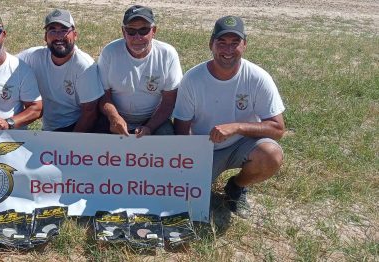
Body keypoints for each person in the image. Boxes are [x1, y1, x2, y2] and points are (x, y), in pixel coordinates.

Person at [173, 16, 285, 218]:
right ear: (211, 44)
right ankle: (201, 181)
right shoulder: (193, 79)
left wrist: (237, 127)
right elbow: (181, 128)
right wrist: (189, 164)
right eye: (222, 43)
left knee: (271, 155)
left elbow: (278, 128)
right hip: (204, 149)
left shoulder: (257, 77)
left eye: (235, 43)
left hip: (242, 145)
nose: (228, 50)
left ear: (245, 45)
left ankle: (236, 186)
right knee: (182, 204)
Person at [97, 5, 182, 137]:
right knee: (95, 133)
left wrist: (150, 127)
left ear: (153, 31)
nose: (137, 37)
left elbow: (169, 101)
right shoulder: (110, 52)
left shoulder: (167, 54)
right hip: (115, 116)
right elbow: (103, 95)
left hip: (152, 118)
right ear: (123, 32)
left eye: (143, 30)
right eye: (131, 31)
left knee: (166, 134)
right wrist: (114, 116)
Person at [17, 9, 103, 132]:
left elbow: (90, 114)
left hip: (78, 126)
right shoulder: (34, 56)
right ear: (45, 37)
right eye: (52, 30)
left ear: (75, 34)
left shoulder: (84, 65)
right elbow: (6, 64)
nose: (58, 36)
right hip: (50, 129)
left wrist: (68, 144)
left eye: (64, 30)